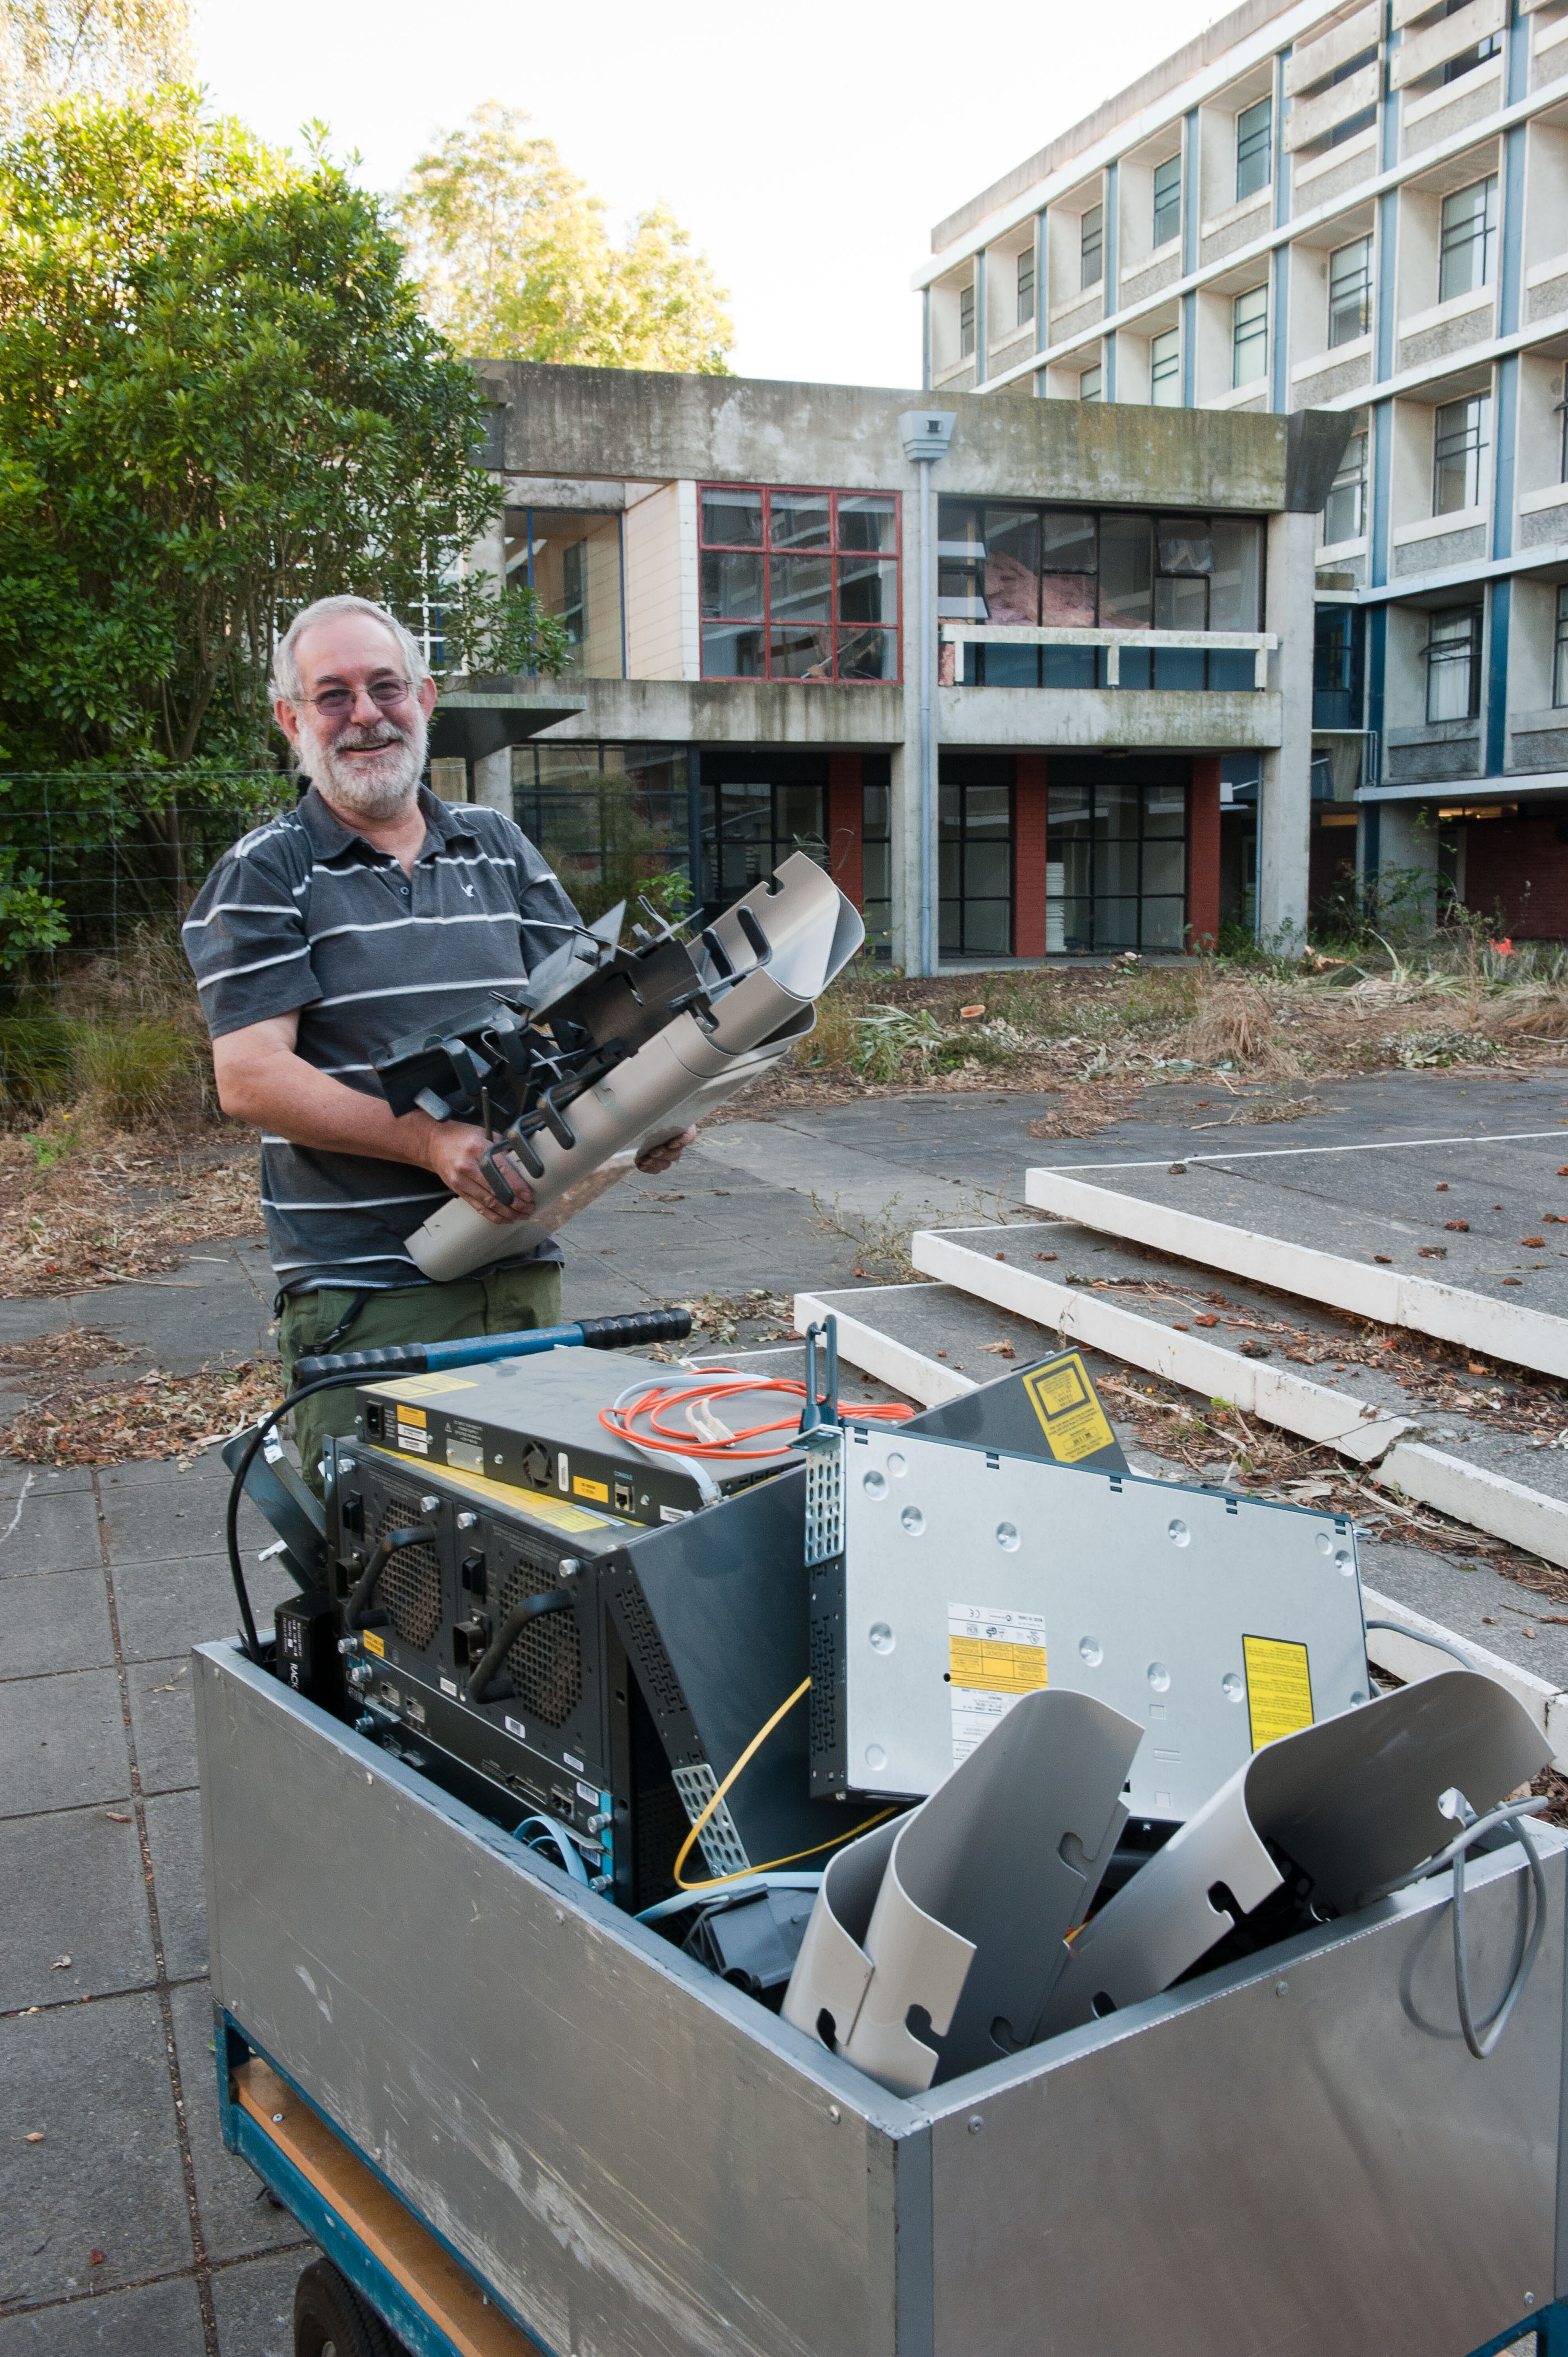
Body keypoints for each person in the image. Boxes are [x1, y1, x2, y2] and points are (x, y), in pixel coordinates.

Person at [183, 593, 694, 1485]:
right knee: (388, 1571)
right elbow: (252, 1078)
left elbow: (587, 1014)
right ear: (289, 719)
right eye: (332, 695)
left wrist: (658, 1099)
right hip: (369, 1298)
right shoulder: (266, 871)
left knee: (533, 1552)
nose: (366, 715)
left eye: (384, 687)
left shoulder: (496, 845)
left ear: (424, 698)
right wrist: (426, 1142)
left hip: (516, 1272)